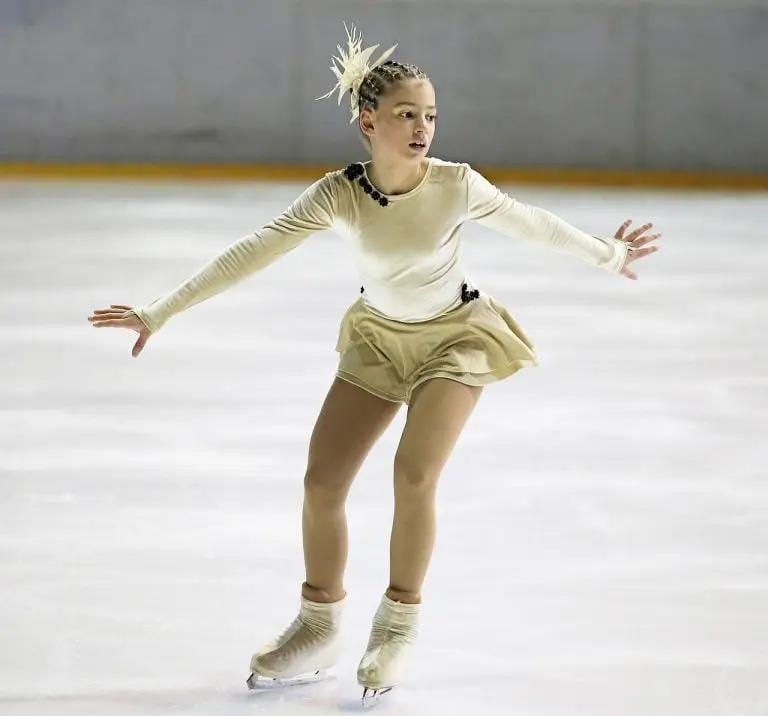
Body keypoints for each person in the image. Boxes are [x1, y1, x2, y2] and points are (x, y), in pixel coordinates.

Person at [87, 23, 660, 705]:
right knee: (322, 483)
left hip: (456, 338)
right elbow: (254, 248)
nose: (423, 128)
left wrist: (609, 252)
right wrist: (161, 309)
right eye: (406, 114)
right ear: (369, 122)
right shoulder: (340, 193)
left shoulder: (455, 184)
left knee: (413, 474)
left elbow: (530, 222)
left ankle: (396, 627)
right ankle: (318, 622)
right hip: (379, 342)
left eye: (431, 115)